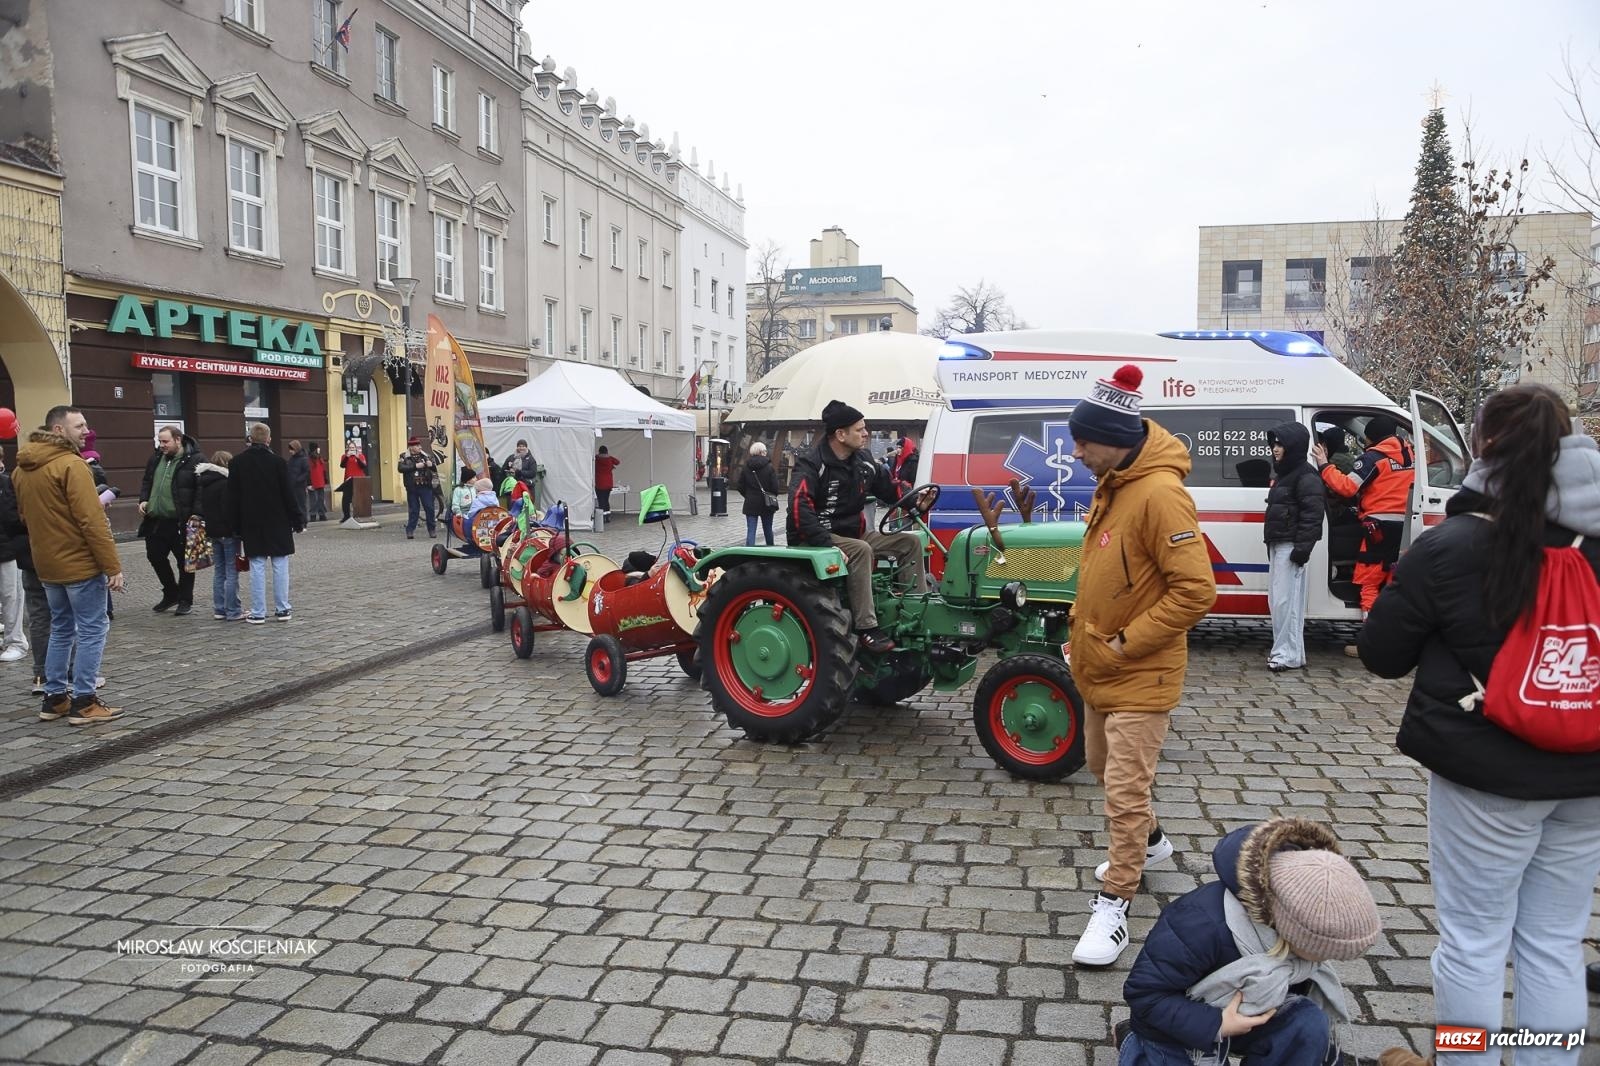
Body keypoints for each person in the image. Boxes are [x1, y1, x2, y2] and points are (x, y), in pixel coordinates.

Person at [1358, 385, 1600, 1066]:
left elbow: (1382, 654)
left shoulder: (1452, 545)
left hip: (1485, 778)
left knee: (1473, 941)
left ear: (1483, 447)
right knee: (1556, 942)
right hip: (1589, 777)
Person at [1065, 365, 1217, 967]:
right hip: (1100, 666)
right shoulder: (1116, 484)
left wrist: (1127, 642)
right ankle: (1152, 844)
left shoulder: (1158, 493)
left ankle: (1114, 903)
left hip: (1139, 672)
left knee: (1124, 792)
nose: (1075, 452)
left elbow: (1195, 591)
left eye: (1083, 441)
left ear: (1114, 439)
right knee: (1100, 766)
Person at [1116, 818, 1378, 1066]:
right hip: (1177, 1025)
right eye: (1321, 951)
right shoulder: (1199, 924)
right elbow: (1144, 994)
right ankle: (1131, 1041)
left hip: (1249, 1011)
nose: (1322, 961)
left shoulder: (1288, 932)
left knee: (1308, 1023)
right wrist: (1216, 1024)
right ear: (1290, 929)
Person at [787, 400, 931, 653]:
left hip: (854, 534)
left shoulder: (863, 461)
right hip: (814, 538)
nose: (866, 434)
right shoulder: (812, 464)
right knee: (861, 549)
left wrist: (916, 501)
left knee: (911, 541)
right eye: (859, 429)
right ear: (840, 434)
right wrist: (827, 542)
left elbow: (890, 488)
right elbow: (799, 509)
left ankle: (915, 610)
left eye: (865, 428)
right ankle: (867, 628)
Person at [13, 405, 124, 724]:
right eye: (79, 425)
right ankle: (85, 701)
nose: (86, 430)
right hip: (79, 562)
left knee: (61, 627)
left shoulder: (23, 468)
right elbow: (92, 521)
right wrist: (112, 565)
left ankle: (55, 698)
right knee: (92, 628)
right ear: (58, 430)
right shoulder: (71, 466)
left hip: (46, 563)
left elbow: (25, 517)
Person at [1311, 414, 1413, 655]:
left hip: (1378, 527)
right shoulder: (1412, 456)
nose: (1364, 441)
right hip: (1406, 528)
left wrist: (1325, 465)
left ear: (1373, 436)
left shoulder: (1374, 458)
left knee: (1369, 583)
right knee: (1393, 583)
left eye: (1366, 436)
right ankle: (1393, 638)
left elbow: (1346, 486)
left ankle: (1373, 642)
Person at [1263, 423, 1325, 673]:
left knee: (1285, 602)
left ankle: (1286, 654)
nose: (1275, 449)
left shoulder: (1305, 475)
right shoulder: (1287, 474)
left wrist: (1302, 548)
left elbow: (1313, 514)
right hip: (1280, 543)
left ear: (1293, 446)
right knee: (1280, 601)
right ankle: (1290, 653)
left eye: (1281, 444)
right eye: (1274, 444)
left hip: (1291, 546)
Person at [229, 423, 300, 624]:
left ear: (250, 439)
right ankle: (283, 609)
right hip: (278, 520)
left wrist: (234, 525)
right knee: (280, 564)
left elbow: (232, 497)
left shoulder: (237, 463)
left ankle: (258, 612)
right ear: (268, 439)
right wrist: (297, 519)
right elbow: (289, 494)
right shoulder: (278, 462)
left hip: (251, 521)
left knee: (257, 565)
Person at [137, 424, 203, 615]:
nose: (161, 445)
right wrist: (144, 499)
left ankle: (185, 599)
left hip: (181, 521)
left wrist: (196, 514)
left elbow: (201, 490)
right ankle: (171, 592)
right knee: (155, 556)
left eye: (165, 441)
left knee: (185, 563)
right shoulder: (156, 458)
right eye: (159, 441)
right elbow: (147, 481)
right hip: (156, 519)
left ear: (177, 440)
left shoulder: (195, 460)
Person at [196, 450, 242, 622]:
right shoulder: (226, 483)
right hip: (227, 532)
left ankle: (219, 609)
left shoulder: (205, 482)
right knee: (232, 572)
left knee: (219, 571)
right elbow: (228, 510)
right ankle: (233, 610)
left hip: (213, 531)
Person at [0, 448, 29, 664]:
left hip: (7, 549)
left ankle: (16, 641)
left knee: (12, 597)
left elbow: (15, 518)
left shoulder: (6, 483)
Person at [738, 442, 781, 547]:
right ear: (762, 452)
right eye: (765, 451)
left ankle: (750, 552)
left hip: (751, 502)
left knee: (751, 530)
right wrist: (771, 495)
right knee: (768, 529)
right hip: (766, 503)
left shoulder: (746, 467)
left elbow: (740, 486)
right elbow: (775, 487)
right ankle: (771, 550)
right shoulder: (769, 467)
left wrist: (748, 495)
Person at [398, 437, 438, 540]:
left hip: (425, 486)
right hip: (412, 487)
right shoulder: (404, 456)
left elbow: (435, 467)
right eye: (417, 445)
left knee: (429, 508)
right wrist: (416, 466)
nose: (420, 447)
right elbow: (401, 468)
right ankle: (410, 530)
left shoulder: (426, 456)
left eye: (419, 445)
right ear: (411, 447)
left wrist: (431, 465)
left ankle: (432, 529)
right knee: (414, 510)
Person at [337, 440, 367, 524]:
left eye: (353, 448)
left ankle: (359, 515)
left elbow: (363, 466)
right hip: (348, 480)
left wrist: (357, 457)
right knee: (346, 499)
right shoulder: (344, 456)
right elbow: (342, 465)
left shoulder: (360, 456)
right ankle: (346, 516)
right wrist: (347, 456)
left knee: (358, 498)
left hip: (359, 480)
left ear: (356, 449)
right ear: (347, 449)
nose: (351, 450)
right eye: (350, 448)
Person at [286, 439, 310, 529]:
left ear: (296, 449)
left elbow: (306, 472)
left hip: (299, 486)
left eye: (292, 449)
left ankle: (303, 523)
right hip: (291, 485)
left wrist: (297, 480)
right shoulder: (292, 459)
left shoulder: (303, 459)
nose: (290, 451)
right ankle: (295, 523)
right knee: (294, 505)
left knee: (301, 505)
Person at [595, 446, 620, 518]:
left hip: (599, 483)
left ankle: (601, 517)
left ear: (599, 451)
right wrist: (611, 463)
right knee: (606, 500)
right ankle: (607, 516)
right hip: (608, 484)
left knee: (600, 500)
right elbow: (618, 462)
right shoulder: (610, 459)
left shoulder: (596, 459)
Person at [306, 442, 328, 522]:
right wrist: (308, 483)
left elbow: (323, 469)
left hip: (320, 481)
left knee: (321, 499)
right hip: (313, 482)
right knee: (313, 500)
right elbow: (308, 471)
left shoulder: (319, 457)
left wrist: (325, 479)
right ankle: (313, 514)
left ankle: (321, 514)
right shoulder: (309, 459)